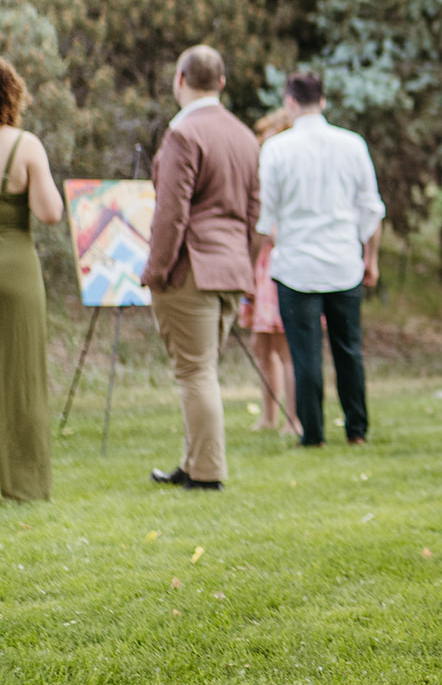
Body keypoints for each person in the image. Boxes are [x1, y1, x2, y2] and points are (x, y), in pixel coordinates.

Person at [142, 46, 260, 492]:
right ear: (222, 83)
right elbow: (255, 213)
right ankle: (193, 463)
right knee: (202, 368)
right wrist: (243, 262)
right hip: (231, 269)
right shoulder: (246, 136)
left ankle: (207, 473)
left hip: (192, 269)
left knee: (194, 372)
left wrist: (156, 269)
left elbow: (170, 213)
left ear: (179, 79)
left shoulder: (183, 133)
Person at [257, 73, 385, 448]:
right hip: (344, 263)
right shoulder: (352, 144)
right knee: (349, 349)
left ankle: (313, 435)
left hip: (296, 266)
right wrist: (370, 257)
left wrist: (269, 247)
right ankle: (356, 431)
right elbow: (371, 209)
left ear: (289, 103)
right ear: (323, 101)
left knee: (305, 353)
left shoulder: (276, 149)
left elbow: (266, 218)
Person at [0, 59, 64, 503]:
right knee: (20, 378)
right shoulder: (25, 146)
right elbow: (49, 213)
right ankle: (21, 483)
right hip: (15, 269)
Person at [239, 109, 300, 438]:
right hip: (259, 270)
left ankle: (294, 418)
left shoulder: (288, 175)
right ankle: (268, 416)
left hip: (278, 268)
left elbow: (275, 228)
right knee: (261, 346)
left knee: (285, 348)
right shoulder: (264, 176)